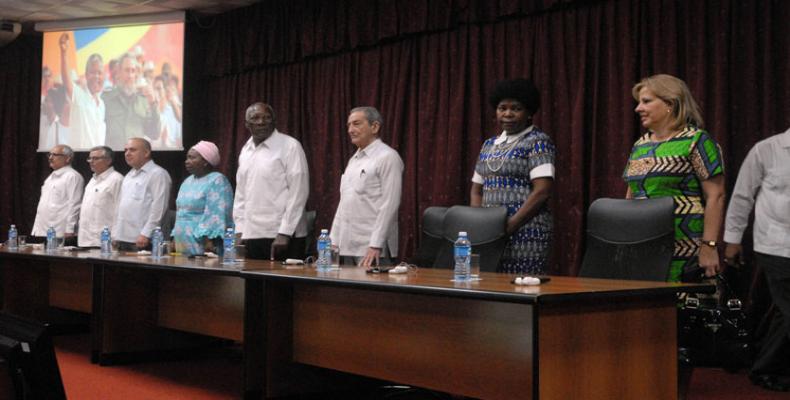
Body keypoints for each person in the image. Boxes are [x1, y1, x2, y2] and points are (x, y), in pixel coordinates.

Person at [623, 74, 726, 282]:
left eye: (646, 101)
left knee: (683, 310)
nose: (638, 108)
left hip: (684, 248)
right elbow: (631, 196)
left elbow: (716, 196)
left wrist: (709, 247)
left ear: (670, 103)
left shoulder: (696, 140)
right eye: (638, 102)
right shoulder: (640, 145)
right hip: (643, 246)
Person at [723, 126, 790, 392]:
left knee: (785, 311)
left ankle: (765, 367)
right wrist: (732, 240)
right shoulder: (767, 149)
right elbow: (742, 196)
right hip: (775, 243)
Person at [470, 79, 555, 275]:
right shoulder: (489, 144)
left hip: (526, 232)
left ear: (529, 113)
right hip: (490, 234)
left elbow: (542, 191)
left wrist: (508, 227)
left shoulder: (538, 141)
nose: (507, 114)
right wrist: (481, 223)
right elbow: (476, 190)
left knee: (522, 290)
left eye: (515, 108)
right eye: (502, 108)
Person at [233, 102, 309, 261]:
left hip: (283, 236)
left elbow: (299, 192)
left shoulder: (290, 146)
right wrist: (239, 229)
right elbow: (241, 194)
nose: (261, 122)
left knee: (281, 286)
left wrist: (285, 232)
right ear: (247, 124)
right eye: (255, 118)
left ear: (274, 121)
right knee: (253, 286)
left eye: (267, 118)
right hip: (252, 234)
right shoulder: (245, 150)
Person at [330, 106, 404, 267]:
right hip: (346, 247)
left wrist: (375, 244)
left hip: (373, 249)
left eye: (356, 124)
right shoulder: (353, 160)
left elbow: (390, 204)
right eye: (348, 125)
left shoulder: (388, 157)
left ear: (375, 127)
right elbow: (344, 204)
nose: (350, 130)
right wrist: (333, 243)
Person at [172, 141, 234, 256]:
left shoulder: (217, 180)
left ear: (206, 161)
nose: (187, 161)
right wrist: (175, 237)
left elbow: (217, 213)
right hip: (182, 242)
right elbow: (180, 212)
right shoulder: (187, 181)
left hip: (203, 244)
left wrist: (208, 240)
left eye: (192, 158)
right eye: (187, 158)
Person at [114, 138, 172, 251]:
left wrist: (146, 233)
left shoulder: (158, 174)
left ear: (146, 153)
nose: (127, 153)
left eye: (132, 150)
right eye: (125, 150)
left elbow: (159, 207)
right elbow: (121, 206)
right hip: (123, 238)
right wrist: (116, 233)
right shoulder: (129, 175)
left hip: (144, 239)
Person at [103, 53, 160, 150]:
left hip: (136, 160)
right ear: (119, 73)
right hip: (114, 157)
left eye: (133, 71)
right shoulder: (106, 99)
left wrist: (153, 104)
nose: (130, 75)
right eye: (127, 70)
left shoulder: (143, 101)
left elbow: (154, 134)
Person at [59, 33, 106, 150]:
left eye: (99, 73)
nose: (96, 76)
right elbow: (66, 80)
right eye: (93, 72)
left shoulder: (102, 104)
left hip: (98, 160)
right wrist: (64, 52)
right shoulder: (79, 95)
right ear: (86, 75)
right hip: (80, 157)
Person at [31, 145, 84, 246]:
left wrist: (70, 229)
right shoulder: (50, 177)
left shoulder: (73, 176)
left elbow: (75, 204)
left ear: (68, 158)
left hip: (60, 231)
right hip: (45, 230)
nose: (50, 157)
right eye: (49, 154)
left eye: (55, 155)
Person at [77, 146, 123, 247]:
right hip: (85, 239)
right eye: (90, 158)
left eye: (96, 158)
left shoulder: (116, 179)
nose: (91, 161)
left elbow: (119, 210)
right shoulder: (92, 180)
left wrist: (115, 236)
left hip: (104, 240)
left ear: (108, 160)